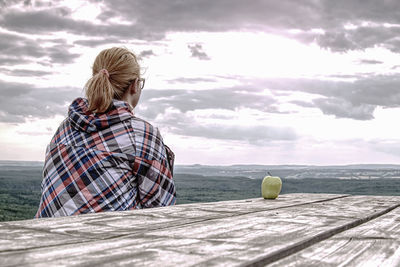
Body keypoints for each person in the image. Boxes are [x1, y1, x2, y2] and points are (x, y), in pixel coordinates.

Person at [35, 47, 176, 218]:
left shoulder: (65, 127)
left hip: (47, 238)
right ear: (134, 85)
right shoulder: (141, 134)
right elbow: (161, 207)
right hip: (105, 241)